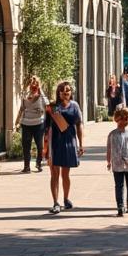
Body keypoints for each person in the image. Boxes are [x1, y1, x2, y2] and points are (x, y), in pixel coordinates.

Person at [43, 81, 84, 215]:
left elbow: (79, 125)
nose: (65, 92)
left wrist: (81, 143)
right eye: (62, 90)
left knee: (65, 174)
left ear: (71, 92)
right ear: (59, 93)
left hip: (69, 142)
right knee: (54, 174)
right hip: (55, 143)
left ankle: (66, 199)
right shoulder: (53, 107)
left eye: (68, 90)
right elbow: (46, 128)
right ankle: (55, 202)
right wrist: (44, 148)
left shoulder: (75, 106)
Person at [14, 75, 47, 173]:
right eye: (31, 83)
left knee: (39, 146)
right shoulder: (25, 94)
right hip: (26, 123)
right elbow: (21, 108)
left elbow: (47, 105)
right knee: (26, 145)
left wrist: (40, 92)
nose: (33, 85)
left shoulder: (41, 94)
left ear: (38, 85)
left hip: (39, 123)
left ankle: (39, 163)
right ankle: (26, 166)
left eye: (35, 83)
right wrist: (17, 122)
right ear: (28, 85)